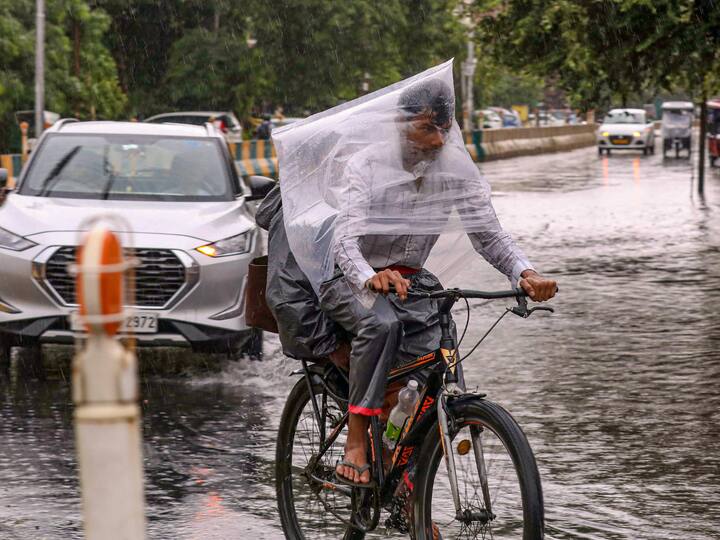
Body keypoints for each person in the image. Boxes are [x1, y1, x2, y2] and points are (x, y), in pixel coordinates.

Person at [319, 79, 557, 485]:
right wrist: (370, 276)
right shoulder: (368, 165)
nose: (437, 141)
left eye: (444, 130)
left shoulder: (453, 168)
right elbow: (344, 239)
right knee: (381, 324)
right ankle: (356, 439)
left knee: (437, 355)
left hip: (411, 282)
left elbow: (488, 234)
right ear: (399, 123)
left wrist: (524, 272)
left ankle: (405, 472)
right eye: (427, 128)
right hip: (349, 276)